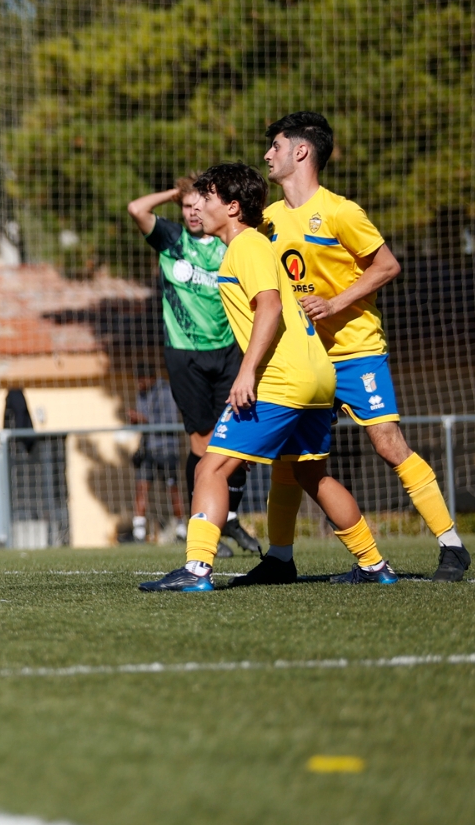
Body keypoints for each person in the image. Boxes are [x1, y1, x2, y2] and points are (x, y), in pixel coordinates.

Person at [141, 163, 398, 592]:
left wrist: (247, 373)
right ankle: (374, 565)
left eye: (207, 197)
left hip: (284, 378)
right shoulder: (254, 245)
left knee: (211, 467)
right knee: (311, 474)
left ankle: (197, 569)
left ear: (233, 207)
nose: (198, 205)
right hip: (315, 375)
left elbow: (270, 306)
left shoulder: (246, 246)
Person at [250, 111, 469, 583]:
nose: (268, 154)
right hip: (305, 362)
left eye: (276, 145)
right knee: (293, 461)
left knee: (389, 445)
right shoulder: (267, 220)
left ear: (301, 151)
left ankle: (451, 545)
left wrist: (336, 302)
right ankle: (280, 559)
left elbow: (386, 266)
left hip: (355, 351)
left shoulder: (340, 211)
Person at [127, 176, 260, 555]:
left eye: (198, 205)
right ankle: (203, 526)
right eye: (186, 207)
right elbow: (137, 209)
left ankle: (230, 519)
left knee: (237, 438)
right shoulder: (170, 238)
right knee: (202, 442)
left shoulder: (228, 242)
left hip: (228, 350)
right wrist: (175, 192)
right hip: (185, 354)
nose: (192, 212)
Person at [125, 372, 186, 544]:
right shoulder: (141, 395)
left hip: (166, 449)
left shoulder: (166, 392)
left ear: (150, 378)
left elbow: (169, 420)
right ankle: (139, 533)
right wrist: (134, 421)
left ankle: (181, 529)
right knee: (141, 487)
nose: (139, 385)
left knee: (172, 489)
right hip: (148, 450)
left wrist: (142, 419)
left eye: (141, 380)